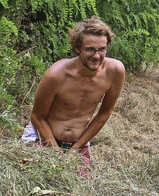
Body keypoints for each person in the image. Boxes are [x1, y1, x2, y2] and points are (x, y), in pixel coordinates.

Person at [21, 17, 126, 175]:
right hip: (41, 137)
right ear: (77, 48)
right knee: (38, 180)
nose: (97, 56)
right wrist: (55, 154)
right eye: (90, 49)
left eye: (102, 49)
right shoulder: (57, 74)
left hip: (77, 144)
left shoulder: (115, 71)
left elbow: (104, 114)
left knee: (81, 192)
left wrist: (74, 150)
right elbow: (37, 117)